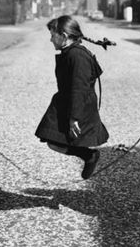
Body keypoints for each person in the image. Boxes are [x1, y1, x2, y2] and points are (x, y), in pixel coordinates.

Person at [35, 15, 110, 179]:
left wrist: (74, 118)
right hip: (67, 103)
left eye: (53, 35)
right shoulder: (70, 52)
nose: (50, 40)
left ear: (64, 35)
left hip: (78, 106)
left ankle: (90, 156)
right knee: (52, 140)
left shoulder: (77, 56)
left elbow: (79, 88)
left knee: (54, 141)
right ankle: (88, 156)